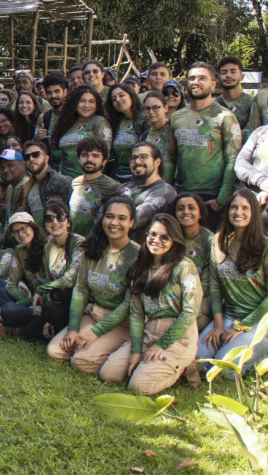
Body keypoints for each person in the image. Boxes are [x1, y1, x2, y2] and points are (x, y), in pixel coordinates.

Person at [97, 214, 202, 394]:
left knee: (138, 386)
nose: (156, 240)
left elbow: (190, 312)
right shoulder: (141, 266)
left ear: (174, 241)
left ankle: (184, 366)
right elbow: (137, 314)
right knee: (109, 373)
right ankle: (149, 364)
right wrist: (136, 351)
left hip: (178, 336)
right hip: (149, 331)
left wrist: (162, 344)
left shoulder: (184, 266)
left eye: (164, 237)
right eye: (152, 234)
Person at [46, 196, 139, 375]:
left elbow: (129, 304)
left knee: (81, 361)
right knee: (55, 351)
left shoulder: (137, 255)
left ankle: (120, 352)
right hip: (94, 314)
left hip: (121, 323)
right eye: (110, 216)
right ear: (102, 218)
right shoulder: (93, 248)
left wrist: (95, 333)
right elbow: (80, 290)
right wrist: (73, 328)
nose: (114, 223)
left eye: (122, 218)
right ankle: (94, 348)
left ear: (132, 223)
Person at [196, 189, 268, 377]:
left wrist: (242, 327)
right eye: (234, 207)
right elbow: (215, 286)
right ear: (227, 211)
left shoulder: (265, 246)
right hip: (228, 317)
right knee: (199, 361)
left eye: (245, 208)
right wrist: (219, 326)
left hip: (257, 321)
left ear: (254, 213)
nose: (239, 212)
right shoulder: (218, 242)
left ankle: (263, 347)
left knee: (223, 372)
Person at [0, 202, 83, 341]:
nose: (20, 234)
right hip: (37, 300)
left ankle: (11, 326)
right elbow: (11, 284)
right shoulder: (23, 250)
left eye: (24, 229)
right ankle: (15, 322)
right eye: (16, 231)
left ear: (33, 227)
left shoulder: (48, 245)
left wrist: (27, 303)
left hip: (54, 302)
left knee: (11, 313)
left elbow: (59, 284)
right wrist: (24, 302)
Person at [171, 62, 242, 230]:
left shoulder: (225, 117)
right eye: (192, 78)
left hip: (210, 196)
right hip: (181, 193)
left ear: (213, 84)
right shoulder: (176, 117)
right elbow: (169, 158)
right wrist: (170, 192)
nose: (196, 82)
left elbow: (233, 160)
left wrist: (221, 200)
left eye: (202, 78)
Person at [116, 142, 176, 241]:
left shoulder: (165, 191)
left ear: (157, 162)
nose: (137, 161)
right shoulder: (124, 188)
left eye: (143, 157)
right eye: (133, 158)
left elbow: (136, 220)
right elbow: (103, 215)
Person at [51, 85, 111, 178]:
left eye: (91, 101)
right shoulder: (66, 123)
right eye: (82, 101)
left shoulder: (99, 121)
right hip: (64, 180)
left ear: (97, 104)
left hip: (89, 182)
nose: (86, 105)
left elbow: (105, 154)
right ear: (74, 103)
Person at [68, 137, 120, 237]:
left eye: (95, 156)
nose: (89, 159)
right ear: (78, 159)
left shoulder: (113, 186)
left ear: (104, 161)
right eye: (84, 155)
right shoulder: (74, 183)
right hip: (74, 241)